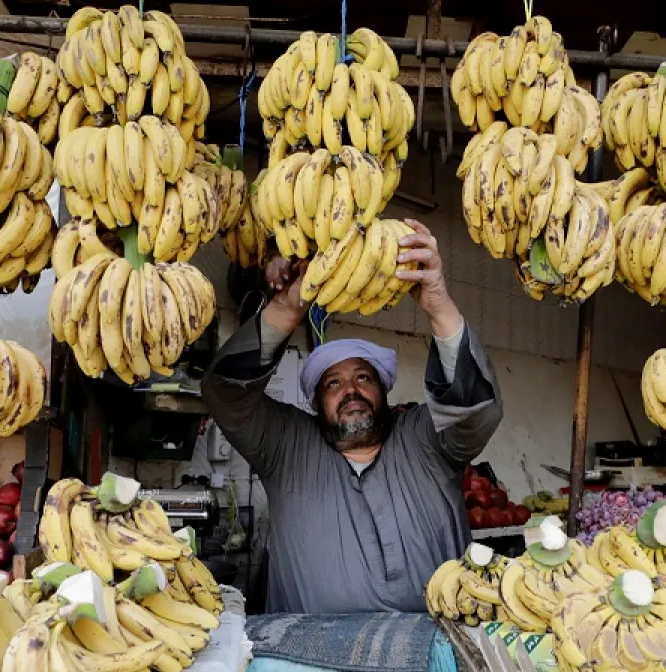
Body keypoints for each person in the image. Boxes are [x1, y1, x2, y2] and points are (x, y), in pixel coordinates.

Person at [203, 221, 502, 614]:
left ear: (384, 391)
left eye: (363, 377)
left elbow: (477, 414)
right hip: (312, 667)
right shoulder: (288, 448)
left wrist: (437, 303)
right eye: (332, 384)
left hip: (435, 659)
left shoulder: (424, 440)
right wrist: (288, 307)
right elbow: (224, 393)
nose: (350, 390)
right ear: (314, 403)